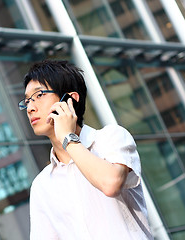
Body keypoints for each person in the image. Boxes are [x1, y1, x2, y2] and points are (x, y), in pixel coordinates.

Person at [18, 60, 153, 240]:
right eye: (27, 101)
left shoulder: (111, 138)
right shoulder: (42, 185)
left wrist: (67, 138)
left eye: (39, 95)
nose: (30, 108)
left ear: (70, 99)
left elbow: (110, 184)